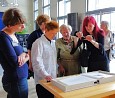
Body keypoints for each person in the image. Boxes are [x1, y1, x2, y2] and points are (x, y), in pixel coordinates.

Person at [0, 8, 29, 98]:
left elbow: (23, 52)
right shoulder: (3, 38)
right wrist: (27, 56)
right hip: (15, 80)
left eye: (23, 23)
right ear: (9, 25)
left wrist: (25, 55)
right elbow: (15, 62)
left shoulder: (13, 34)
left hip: (20, 78)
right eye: (20, 25)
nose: (23, 26)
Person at [31, 20, 59, 98]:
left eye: (56, 33)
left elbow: (53, 60)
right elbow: (36, 62)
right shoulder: (38, 43)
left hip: (52, 77)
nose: (54, 35)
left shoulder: (53, 43)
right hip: (42, 79)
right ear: (46, 30)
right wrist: (45, 74)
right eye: (53, 33)